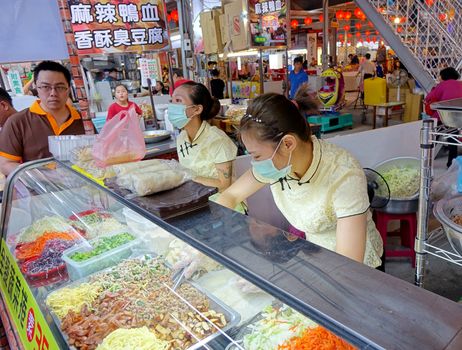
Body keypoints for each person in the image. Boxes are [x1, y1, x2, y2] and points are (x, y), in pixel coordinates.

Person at [216, 93, 383, 268]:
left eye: (257, 156)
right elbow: (230, 196)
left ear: (288, 144)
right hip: (317, 257)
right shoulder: (278, 163)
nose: (256, 164)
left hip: (358, 269)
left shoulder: (343, 175)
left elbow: (349, 265)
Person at [0, 61, 86, 176]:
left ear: (68, 89)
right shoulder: (18, 122)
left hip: (82, 189)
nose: (53, 93)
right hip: (38, 192)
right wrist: (44, 177)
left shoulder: (83, 120)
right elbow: (6, 164)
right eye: (46, 87)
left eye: (60, 87)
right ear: (36, 87)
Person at [167, 82, 237, 193]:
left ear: (197, 109)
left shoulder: (218, 140)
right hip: (194, 199)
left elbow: (224, 185)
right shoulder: (181, 138)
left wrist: (187, 177)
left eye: (178, 101)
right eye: (172, 101)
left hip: (222, 204)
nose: (172, 106)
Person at [425, 67, 462, 167]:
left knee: (434, 136)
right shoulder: (461, 84)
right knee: (452, 138)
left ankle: (427, 159)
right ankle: (451, 163)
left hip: (443, 116)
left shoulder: (442, 85)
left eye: (440, 75)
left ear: (444, 76)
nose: (439, 77)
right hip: (458, 117)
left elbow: (428, 98)